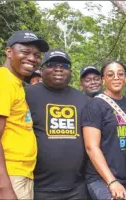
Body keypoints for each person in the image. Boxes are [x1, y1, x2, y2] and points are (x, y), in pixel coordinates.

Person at [25, 49, 89, 199]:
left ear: (70, 71)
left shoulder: (83, 100)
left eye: (64, 66)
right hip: (40, 187)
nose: (59, 68)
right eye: (52, 64)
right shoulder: (26, 95)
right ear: (41, 70)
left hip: (77, 187)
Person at [0, 30, 49, 200]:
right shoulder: (3, 81)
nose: (32, 58)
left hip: (21, 172)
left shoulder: (16, 83)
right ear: (9, 52)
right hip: (11, 173)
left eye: (36, 55)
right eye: (25, 52)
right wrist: (4, 187)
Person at [81, 61, 126, 200]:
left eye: (120, 74)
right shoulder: (95, 106)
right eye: (110, 74)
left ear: (125, 78)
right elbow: (91, 147)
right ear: (103, 79)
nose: (116, 77)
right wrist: (112, 181)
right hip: (102, 178)